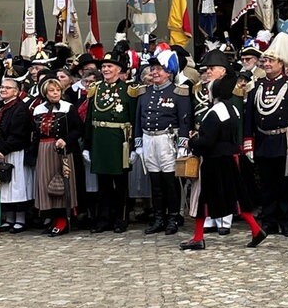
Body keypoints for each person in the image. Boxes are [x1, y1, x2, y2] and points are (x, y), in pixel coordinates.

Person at [179, 73, 268, 250]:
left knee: (202, 199)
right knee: (237, 198)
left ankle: (198, 237)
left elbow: (208, 141)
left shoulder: (214, 112)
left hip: (214, 161)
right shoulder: (233, 109)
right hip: (230, 158)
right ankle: (256, 229)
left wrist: (192, 142)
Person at [243, 33, 288, 237]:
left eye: (271, 60)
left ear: (281, 63)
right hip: (263, 140)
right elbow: (249, 118)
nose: (267, 64)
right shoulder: (256, 86)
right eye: (265, 60)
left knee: (285, 184)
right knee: (267, 184)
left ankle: (286, 221)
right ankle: (269, 220)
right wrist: (249, 143)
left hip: (284, 141)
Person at [134, 50, 191, 235]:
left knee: (170, 182)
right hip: (148, 138)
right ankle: (158, 217)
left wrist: (183, 144)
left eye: (159, 69)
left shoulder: (178, 92)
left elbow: (184, 120)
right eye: (153, 68)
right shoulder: (144, 92)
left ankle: (173, 217)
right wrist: (138, 144)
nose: (155, 72)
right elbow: (138, 119)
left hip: (167, 140)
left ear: (170, 72)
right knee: (155, 181)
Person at [84, 51, 138, 233]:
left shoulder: (128, 90)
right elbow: (89, 119)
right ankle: (103, 218)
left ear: (119, 69)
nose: (106, 69)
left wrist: (133, 147)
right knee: (103, 183)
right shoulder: (96, 89)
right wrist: (87, 145)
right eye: (104, 66)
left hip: (119, 141)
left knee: (120, 182)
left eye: (110, 66)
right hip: (100, 139)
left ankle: (121, 218)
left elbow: (133, 119)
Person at [34, 77, 83, 236]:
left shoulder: (68, 107)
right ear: (45, 93)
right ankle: (52, 218)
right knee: (46, 183)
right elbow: (35, 133)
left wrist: (65, 140)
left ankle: (63, 219)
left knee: (62, 183)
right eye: (51, 91)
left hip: (61, 150)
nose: (55, 93)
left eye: (57, 90)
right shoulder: (38, 109)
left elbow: (78, 130)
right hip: (44, 150)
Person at [0, 77, 35, 232]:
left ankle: (20, 219)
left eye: (8, 88)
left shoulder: (20, 109)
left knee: (17, 186)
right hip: (0, 152)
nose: (3, 90)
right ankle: (9, 218)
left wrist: (4, 149)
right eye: (2, 87)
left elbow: (19, 133)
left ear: (16, 92)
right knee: (4, 186)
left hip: (15, 152)